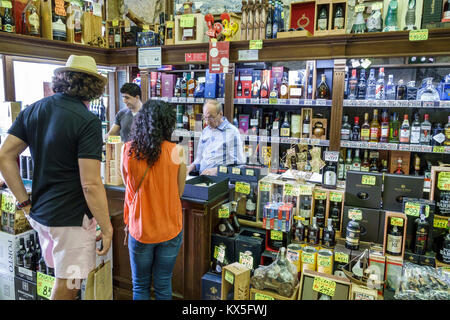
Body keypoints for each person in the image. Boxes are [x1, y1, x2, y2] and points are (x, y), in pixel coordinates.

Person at [0, 55, 113, 300]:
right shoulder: (88, 121)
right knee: (69, 285)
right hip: (71, 220)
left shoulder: (34, 109)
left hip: (41, 215)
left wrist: (24, 203)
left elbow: (4, 156)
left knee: (61, 278)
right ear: (94, 87)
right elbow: (91, 183)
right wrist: (107, 226)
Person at [120, 100, 186, 300]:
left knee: (140, 286)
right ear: (168, 123)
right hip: (169, 228)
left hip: (140, 228)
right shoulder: (177, 151)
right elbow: (179, 192)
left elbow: (128, 186)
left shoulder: (128, 150)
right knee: (163, 285)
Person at [187, 99, 245, 176]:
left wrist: (217, 171)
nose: (207, 122)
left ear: (220, 114)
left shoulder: (232, 132)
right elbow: (199, 158)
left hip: (221, 181)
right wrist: (190, 167)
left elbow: (239, 166)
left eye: (211, 117)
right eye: (205, 117)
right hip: (202, 179)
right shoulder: (205, 131)